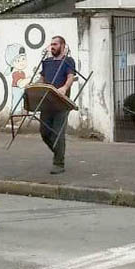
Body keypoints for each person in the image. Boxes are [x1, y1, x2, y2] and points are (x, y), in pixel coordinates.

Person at [39, 35, 77, 174]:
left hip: (61, 102)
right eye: (51, 44)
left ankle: (59, 163)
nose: (52, 47)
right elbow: (42, 78)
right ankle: (58, 153)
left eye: (55, 44)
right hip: (47, 102)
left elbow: (70, 77)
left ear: (62, 46)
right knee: (44, 132)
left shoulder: (68, 61)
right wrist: (36, 87)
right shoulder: (47, 62)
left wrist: (65, 88)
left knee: (57, 132)